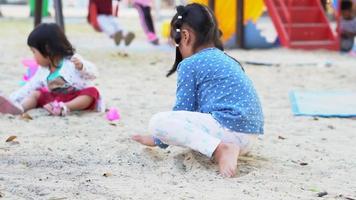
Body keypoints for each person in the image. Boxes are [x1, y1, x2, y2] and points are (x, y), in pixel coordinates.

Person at [132, 3, 264, 178]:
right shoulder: (227, 59)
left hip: (228, 133)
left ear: (185, 36)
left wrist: (158, 138)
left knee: (157, 122)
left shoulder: (190, 64)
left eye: (175, 43)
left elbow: (182, 111)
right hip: (248, 140)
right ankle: (223, 148)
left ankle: (221, 149)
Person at [0, 23, 104, 116]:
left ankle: (66, 107)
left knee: (92, 92)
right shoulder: (43, 70)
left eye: (34, 52)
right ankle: (21, 108)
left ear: (47, 48)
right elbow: (29, 87)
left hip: (75, 98)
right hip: (55, 99)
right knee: (36, 93)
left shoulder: (72, 62)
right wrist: (11, 99)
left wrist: (82, 66)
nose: (34, 57)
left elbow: (94, 73)